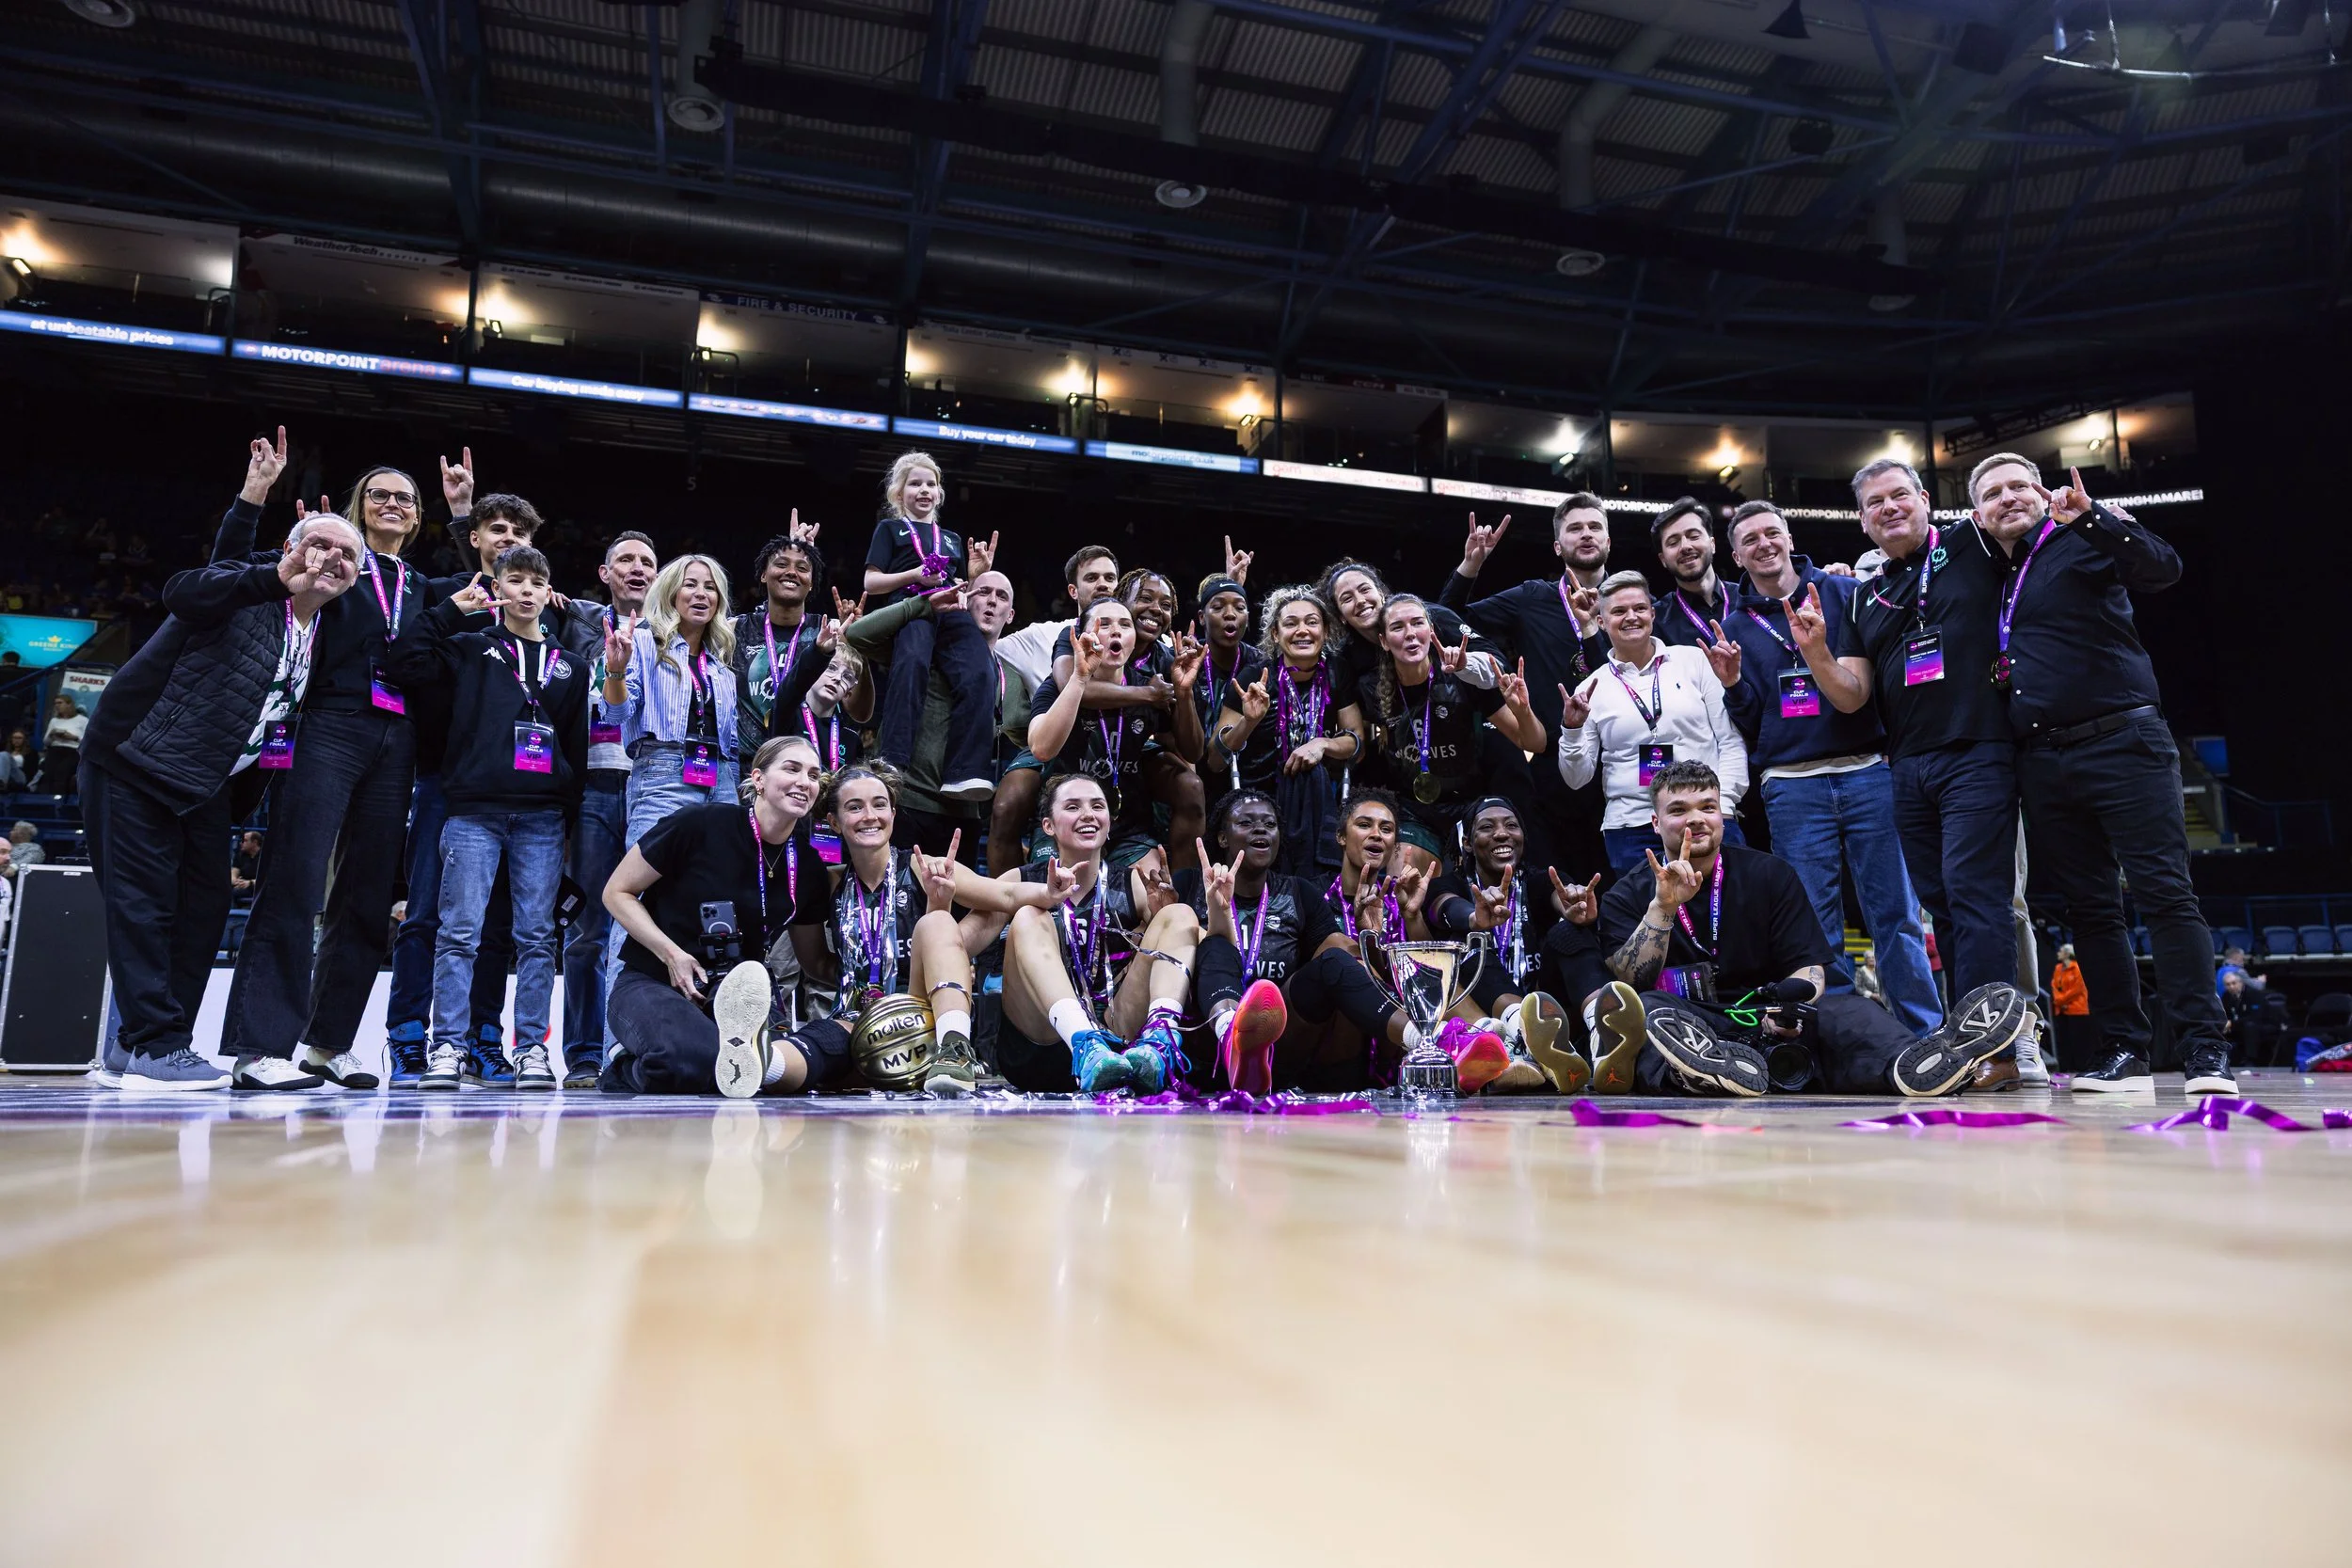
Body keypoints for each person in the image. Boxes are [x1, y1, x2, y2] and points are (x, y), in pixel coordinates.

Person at [1971, 452, 2233, 1094]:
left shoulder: (2082, 536)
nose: (2008, 497)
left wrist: (2093, 519)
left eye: (2018, 484)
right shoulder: (1990, 577)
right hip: (2043, 758)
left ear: (2042, 489)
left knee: (2165, 893)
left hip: (2124, 741)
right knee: (2090, 909)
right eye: (1992, 492)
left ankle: (2203, 1051)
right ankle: (2124, 1051)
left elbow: (2162, 567)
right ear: (1977, 514)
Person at [82, 511, 362, 1091]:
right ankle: (155, 1045)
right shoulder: (248, 590)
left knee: (204, 913)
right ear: (289, 550)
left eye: (346, 554)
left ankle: (142, 1047)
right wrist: (254, 519)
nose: (331, 558)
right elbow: (184, 589)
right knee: (143, 908)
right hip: (136, 761)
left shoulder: (321, 632)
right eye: (319, 544)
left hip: (206, 785)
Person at [1595, 761, 2030, 1098]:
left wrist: (1790, 1008)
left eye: (1708, 806)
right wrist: (1663, 908)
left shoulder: (1770, 874)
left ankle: (1918, 1062)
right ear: (1655, 823)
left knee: (1853, 1010)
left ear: (1723, 814)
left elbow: (1812, 971)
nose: (1696, 820)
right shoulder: (1630, 892)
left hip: (1773, 1016)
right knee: (1647, 1013)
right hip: (1695, 1026)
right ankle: (1701, 1073)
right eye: (1678, 810)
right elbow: (1629, 984)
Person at [220, 432, 429, 1091]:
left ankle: (327, 1042)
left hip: (397, 737)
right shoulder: (336, 563)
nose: (393, 504)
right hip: (327, 724)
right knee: (297, 878)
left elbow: (501, 574)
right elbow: (245, 571)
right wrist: (262, 501)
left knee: (367, 895)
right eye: (381, 496)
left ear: (417, 517)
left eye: (405, 499)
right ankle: (259, 1047)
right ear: (359, 507)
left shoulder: (426, 585)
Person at [1716, 500, 1941, 1035]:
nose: (1764, 544)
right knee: (1816, 926)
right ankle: (1842, 1039)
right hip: (1792, 786)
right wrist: (1731, 686)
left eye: (1772, 533)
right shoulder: (1735, 625)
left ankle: (1925, 1035)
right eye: (1750, 540)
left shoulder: (1844, 593)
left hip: (1867, 770)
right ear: (1736, 556)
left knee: (1898, 916)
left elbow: (1874, 684)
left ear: (1790, 538)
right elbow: (1750, 719)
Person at [390, 546, 589, 1090]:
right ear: (498, 589)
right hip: (473, 812)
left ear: (549, 594)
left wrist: (567, 820)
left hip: (542, 818)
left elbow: (576, 746)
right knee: (458, 933)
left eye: (537, 582)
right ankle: (448, 1047)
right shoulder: (469, 648)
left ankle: (530, 1049)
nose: (527, 590)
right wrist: (450, 611)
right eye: (516, 580)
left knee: (535, 937)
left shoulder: (571, 664)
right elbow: (403, 662)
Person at [1843, 456, 2020, 1014]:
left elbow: (2026, 529)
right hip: (1907, 765)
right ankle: (1972, 1027)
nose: (1889, 508)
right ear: (1864, 522)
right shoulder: (1867, 594)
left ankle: (2000, 1034)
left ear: (1925, 499)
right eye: (1876, 503)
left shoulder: (1975, 542)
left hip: (1977, 749)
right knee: (1940, 903)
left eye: (1899, 495)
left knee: (1977, 895)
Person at [382, 469, 536, 1085]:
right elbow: (407, 661)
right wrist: (461, 513)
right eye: (495, 529)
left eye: (518, 531)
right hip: (445, 778)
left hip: (512, 789)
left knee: (495, 922)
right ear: (476, 538)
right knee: (427, 914)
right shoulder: (441, 592)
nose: (506, 538)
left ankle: (482, 1038)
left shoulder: (539, 609)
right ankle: (409, 1037)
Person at [598, 736, 842, 1097]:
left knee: (769, 1068)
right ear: (758, 779)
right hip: (652, 983)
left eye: (812, 774)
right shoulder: (699, 824)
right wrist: (671, 954)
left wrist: (876, 982)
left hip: (734, 1001)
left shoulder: (806, 865)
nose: (804, 781)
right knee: (696, 1059)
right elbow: (616, 892)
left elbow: (815, 962)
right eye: (791, 769)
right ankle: (624, 1066)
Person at [821, 764, 1071, 1094]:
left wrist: (1047, 893)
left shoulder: (924, 866)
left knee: (938, 921)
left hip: (921, 1011)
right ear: (834, 822)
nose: (870, 815)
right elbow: (816, 963)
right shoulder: (829, 882)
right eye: (855, 807)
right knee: (823, 1062)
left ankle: (954, 1050)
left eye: (880, 804)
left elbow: (1005, 894)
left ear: (894, 814)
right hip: (858, 1023)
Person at [965, 772, 1200, 1094]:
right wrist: (939, 903)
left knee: (1179, 913)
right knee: (1029, 915)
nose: (1088, 814)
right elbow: (960, 944)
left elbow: (1198, 942)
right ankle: (1082, 1040)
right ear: (1048, 826)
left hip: (1117, 1042)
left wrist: (1211, 910)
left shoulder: (1134, 882)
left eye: (1097, 806)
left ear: (1109, 821)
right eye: (1073, 806)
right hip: (1041, 1047)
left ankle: (1160, 1041)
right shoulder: (1019, 880)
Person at [596, 553, 742, 1040]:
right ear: (671, 593)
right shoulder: (640, 642)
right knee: (638, 893)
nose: (701, 594)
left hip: (722, 774)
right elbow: (615, 717)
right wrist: (614, 673)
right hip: (664, 769)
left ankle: (706, 1033)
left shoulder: (722, 656)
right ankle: (621, 1045)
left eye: (710, 587)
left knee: (713, 899)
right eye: (690, 585)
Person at [1436, 497, 1613, 876]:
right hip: (1551, 762)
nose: (1586, 535)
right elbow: (1448, 617)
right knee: (1559, 879)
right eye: (1575, 528)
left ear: (1609, 541)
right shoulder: (1533, 597)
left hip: (1621, 759)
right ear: (1557, 545)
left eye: (1595, 527)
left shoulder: (1631, 602)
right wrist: (1472, 564)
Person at [1556, 571, 1747, 872]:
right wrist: (1572, 730)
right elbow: (1576, 778)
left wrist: (1723, 807)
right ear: (1601, 622)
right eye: (1619, 611)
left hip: (1705, 819)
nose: (1631, 617)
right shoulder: (1590, 688)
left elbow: (1730, 739)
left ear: (1653, 614)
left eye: (1639, 608)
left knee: (1727, 914)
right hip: (1632, 828)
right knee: (1653, 918)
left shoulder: (1695, 661)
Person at [559, 530, 660, 1087]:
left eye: (648, 562)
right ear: (605, 573)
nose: (638, 569)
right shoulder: (575, 621)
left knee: (649, 925)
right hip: (596, 783)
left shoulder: (671, 633)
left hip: (654, 785)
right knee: (589, 929)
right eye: (626, 560)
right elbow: (508, 582)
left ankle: (636, 1048)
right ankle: (582, 1055)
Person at [1422, 796, 1591, 1092]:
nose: (1502, 833)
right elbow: (1443, 909)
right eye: (1487, 827)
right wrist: (1474, 917)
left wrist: (1571, 909)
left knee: (1572, 933)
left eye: (1511, 825)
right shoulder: (1449, 885)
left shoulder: (1543, 881)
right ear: (1467, 844)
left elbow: (1559, 896)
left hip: (1554, 1016)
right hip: (1488, 1025)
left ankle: (1598, 1030)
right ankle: (1522, 1032)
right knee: (1467, 942)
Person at [1358, 593, 1541, 863]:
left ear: (1432, 631)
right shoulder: (1370, 688)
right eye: (1398, 627)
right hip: (1413, 810)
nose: (1410, 633)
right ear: (1384, 641)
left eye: (1418, 623)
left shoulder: (1464, 678)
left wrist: (1523, 711)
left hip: (1471, 804)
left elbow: (1534, 743)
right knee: (1402, 879)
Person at [860, 451, 997, 801]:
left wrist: (975, 577)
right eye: (915, 483)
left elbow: (958, 586)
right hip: (912, 606)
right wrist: (914, 576)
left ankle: (965, 771)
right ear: (898, 493)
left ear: (939, 492)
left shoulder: (950, 537)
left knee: (982, 670)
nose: (924, 490)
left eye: (931, 484)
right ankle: (892, 762)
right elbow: (871, 583)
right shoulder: (889, 529)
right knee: (913, 665)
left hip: (950, 609)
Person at [1206, 584, 1361, 878]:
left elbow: (1356, 742)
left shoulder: (1337, 672)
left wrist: (1323, 744)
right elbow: (1215, 758)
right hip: (1260, 796)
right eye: (1290, 623)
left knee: (1313, 774)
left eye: (1312, 622)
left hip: (1318, 800)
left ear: (1325, 631)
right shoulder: (1255, 676)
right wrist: (1249, 721)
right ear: (1276, 635)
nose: (1302, 630)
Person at [1024, 596, 1177, 876]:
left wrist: (1186, 692)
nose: (1116, 631)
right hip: (1065, 824)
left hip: (1128, 828)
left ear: (1134, 638)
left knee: (1157, 901)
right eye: (1103, 624)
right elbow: (1041, 749)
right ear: (1086, 634)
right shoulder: (1057, 687)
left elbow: (1188, 751)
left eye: (1125, 625)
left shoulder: (1150, 688)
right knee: (1052, 902)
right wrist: (1080, 679)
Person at [990, 546, 1120, 866]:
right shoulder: (1041, 635)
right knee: (1007, 804)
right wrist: (980, 582)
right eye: (1092, 577)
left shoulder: (1135, 635)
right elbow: (985, 641)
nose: (1102, 583)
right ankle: (1002, 905)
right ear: (1074, 590)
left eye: (1109, 577)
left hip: (1118, 742)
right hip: (1051, 742)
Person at [732, 515, 826, 765]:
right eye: (781, 564)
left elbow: (862, 712)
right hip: (742, 769)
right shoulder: (734, 630)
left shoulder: (826, 633)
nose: (792, 572)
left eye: (803, 568)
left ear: (812, 581)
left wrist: (855, 646)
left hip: (807, 767)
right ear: (763, 574)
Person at [1648, 497, 1739, 649]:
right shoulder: (1656, 620)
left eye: (1694, 536)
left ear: (1712, 544)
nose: (1685, 546)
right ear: (1663, 559)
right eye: (1673, 542)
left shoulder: (1748, 599)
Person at [2050, 942, 2093, 1070]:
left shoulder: (2078, 968)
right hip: (2061, 1010)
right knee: (2064, 1041)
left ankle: (2082, 1067)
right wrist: (2059, 1000)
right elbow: (2054, 986)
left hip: (2077, 1010)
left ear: (2067, 954)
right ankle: (2065, 1067)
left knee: (2079, 1041)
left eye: (2060, 951)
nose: (2058, 953)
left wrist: (2061, 1000)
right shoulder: (2058, 968)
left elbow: (2078, 989)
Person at [35, 692, 85, 793]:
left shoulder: (83, 720)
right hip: (55, 749)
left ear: (69, 704)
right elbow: (46, 742)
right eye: (55, 703)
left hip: (73, 750)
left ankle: (59, 799)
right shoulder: (54, 721)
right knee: (49, 772)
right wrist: (51, 735)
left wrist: (74, 737)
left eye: (60, 703)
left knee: (62, 771)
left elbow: (88, 742)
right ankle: (46, 799)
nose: (57, 705)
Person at [230, 830, 263, 907]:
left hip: (259, 887)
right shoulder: (240, 855)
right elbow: (234, 872)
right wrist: (235, 881)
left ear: (255, 842)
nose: (241, 843)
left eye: (245, 841)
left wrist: (250, 883)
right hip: (242, 886)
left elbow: (268, 878)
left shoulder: (266, 856)